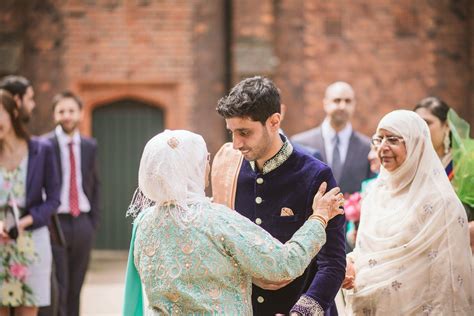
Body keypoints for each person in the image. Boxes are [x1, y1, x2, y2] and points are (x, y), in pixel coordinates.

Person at [122, 130, 344, 315]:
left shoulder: (143, 223)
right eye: (205, 160)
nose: (208, 166)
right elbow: (283, 265)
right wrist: (319, 218)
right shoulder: (217, 220)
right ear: (194, 168)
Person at [213, 76, 346, 315]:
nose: (236, 144)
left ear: (274, 122)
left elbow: (332, 264)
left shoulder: (315, 175)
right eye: (231, 132)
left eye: (244, 132)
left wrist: (301, 312)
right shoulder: (228, 171)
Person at [343, 110, 473, 315]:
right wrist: (351, 264)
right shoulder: (375, 194)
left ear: (416, 144)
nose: (383, 148)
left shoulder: (440, 202)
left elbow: (447, 280)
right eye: (379, 139)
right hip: (370, 307)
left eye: (393, 140)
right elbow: (366, 252)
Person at [0, 89, 60, 315]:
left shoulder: (41, 150)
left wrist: (23, 222)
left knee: (28, 309)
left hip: (32, 241)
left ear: (13, 112)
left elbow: (54, 199)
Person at [43, 91, 100, 316]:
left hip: (83, 222)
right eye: (61, 111)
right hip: (55, 223)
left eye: (71, 111)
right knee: (60, 287)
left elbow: (95, 185)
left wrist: (93, 221)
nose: (67, 116)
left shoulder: (89, 145)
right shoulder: (44, 145)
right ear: (55, 115)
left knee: (76, 287)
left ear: (80, 114)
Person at [414, 97, 474, 253]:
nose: (421, 129)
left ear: (447, 126)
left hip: (462, 242)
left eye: (427, 122)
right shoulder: (413, 163)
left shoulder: (468, 160)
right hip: (421, 245)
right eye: (417, 124)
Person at [291, 81, 372, 194]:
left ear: (354, 104)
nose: (342, 106)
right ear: (325, 103)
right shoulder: (300, 143)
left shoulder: (367, 147)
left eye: (348, 101)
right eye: (337, 100)